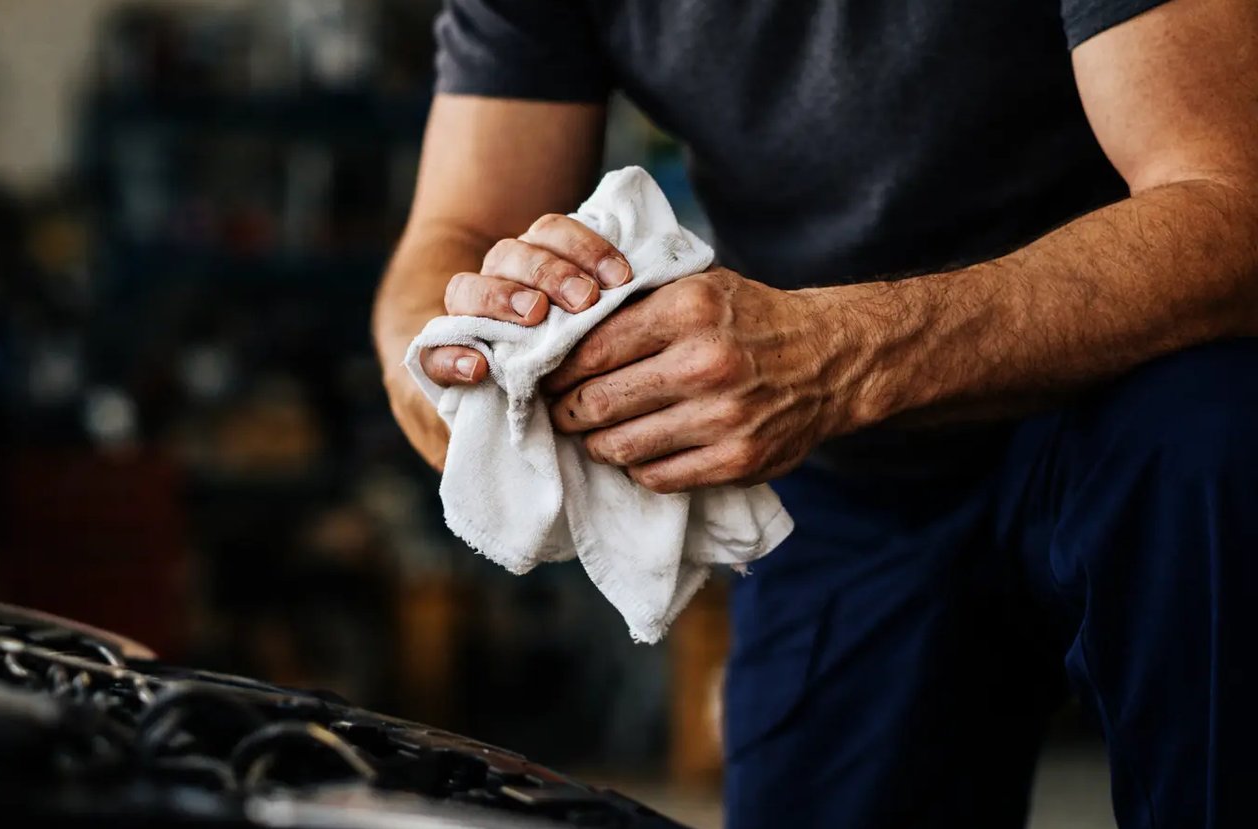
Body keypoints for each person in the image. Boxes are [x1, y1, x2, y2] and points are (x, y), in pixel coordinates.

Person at [370, 0, 1258, 825]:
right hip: (839, 472)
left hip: (1119, 404)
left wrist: (841, 355)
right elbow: (451, 239)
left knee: (1212, 430)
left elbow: (1231, 201)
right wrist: (488, 378)